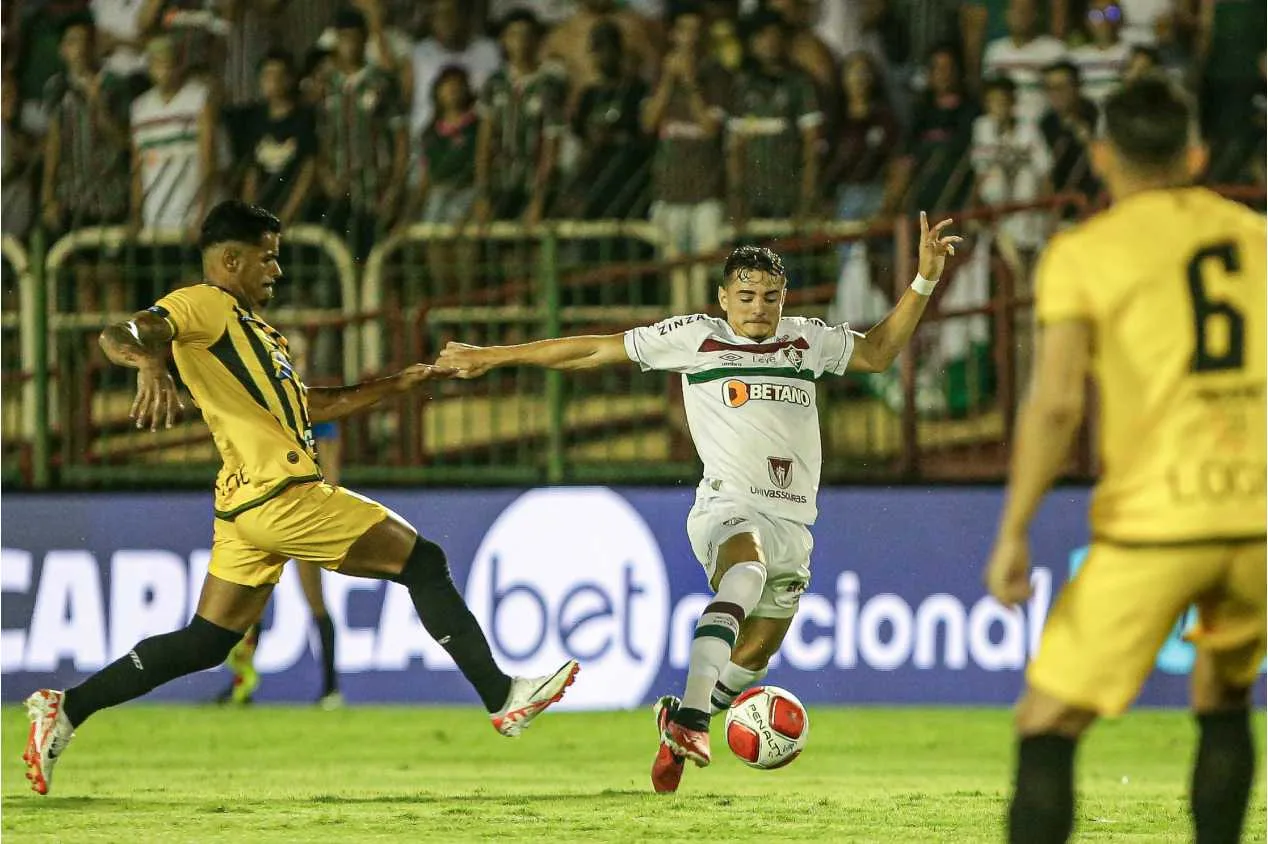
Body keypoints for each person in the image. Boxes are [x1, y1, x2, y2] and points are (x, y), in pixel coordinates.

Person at [21, 200, 579, 797]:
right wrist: (150, 364)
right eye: (267, 258)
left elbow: (309, 406)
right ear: (230, 260)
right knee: (423, 561)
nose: (277, 271)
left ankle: (67, 708)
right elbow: (120, 334)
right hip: (281, 493)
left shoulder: (258, 333)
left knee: (207, 640)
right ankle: (501, 696)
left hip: (244, 504)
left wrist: (400, 383)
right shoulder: (204, 304)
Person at [437, 213, 962, 793]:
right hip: (727, 506)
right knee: (746, 569)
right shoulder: (696, 338)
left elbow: (880, 353)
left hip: (794, 521)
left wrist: (924, 279)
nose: (757, 308)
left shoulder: (807, 341)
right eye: (745, 297)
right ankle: (691, 721)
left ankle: (680, 726)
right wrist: (492, 357)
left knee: (755, 655)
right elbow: (592, 350)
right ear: (723, 298)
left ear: (783, 298)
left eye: (769, 297)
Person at [983, 75, 1265, 844]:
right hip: (1258, 520)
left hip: (1159, 522)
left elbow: (1056, 406)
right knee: (1223, 696)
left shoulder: (1084, 253)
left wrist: (1014, 530)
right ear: (1197, 154)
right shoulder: (1257, 238)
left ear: (1102, 157)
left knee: (1046, 719)